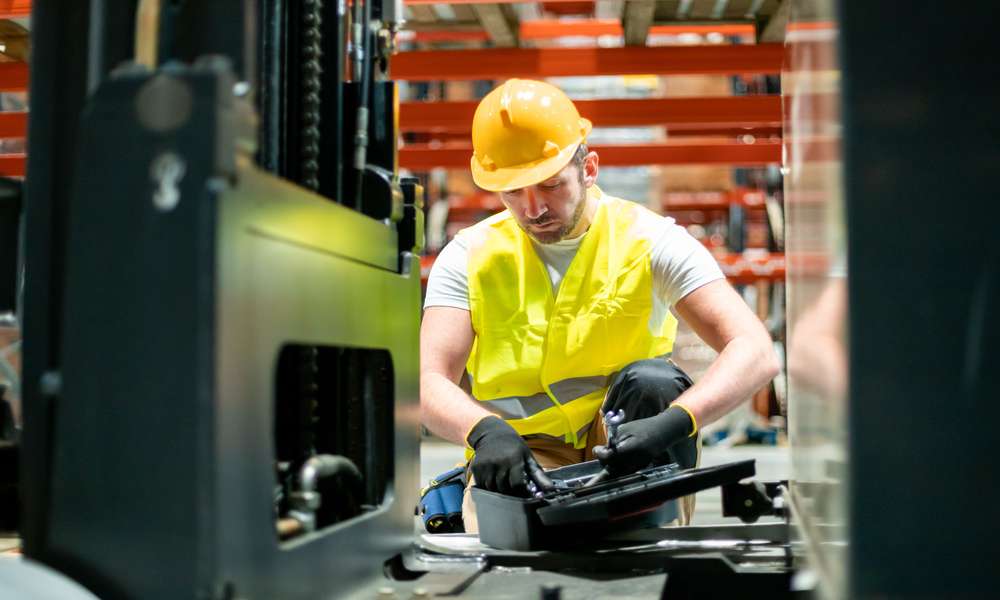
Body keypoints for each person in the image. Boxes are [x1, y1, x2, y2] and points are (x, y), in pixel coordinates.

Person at [420, 79, 779, 531]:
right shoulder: (469, 255)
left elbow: (755, 350)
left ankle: (655, 532)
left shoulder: (651, 239)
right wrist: (482, 430)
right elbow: (428, 380)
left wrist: (676, 421)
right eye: (513, 192)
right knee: (516, 560)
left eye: (550, 185)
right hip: (520, 454)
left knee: (655, 383)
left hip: (629, 446)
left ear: (589, 168)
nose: (532, 209)